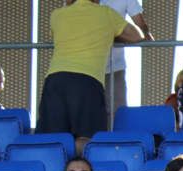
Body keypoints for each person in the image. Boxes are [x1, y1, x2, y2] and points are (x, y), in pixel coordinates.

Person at [37, 0, 145, 156]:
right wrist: (108, 35)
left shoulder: (58, 15)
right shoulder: (107, 14)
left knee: (52, 140)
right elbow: (137, 35)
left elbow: (55, 35)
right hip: (88, 81)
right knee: (88, 139)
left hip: (55, 80)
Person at [100, 0, 153, 127]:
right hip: (88, 67)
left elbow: (140, 23)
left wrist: (146, 34)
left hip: (115, 66)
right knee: (90, 111)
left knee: (118, 112)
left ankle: (118, 144)